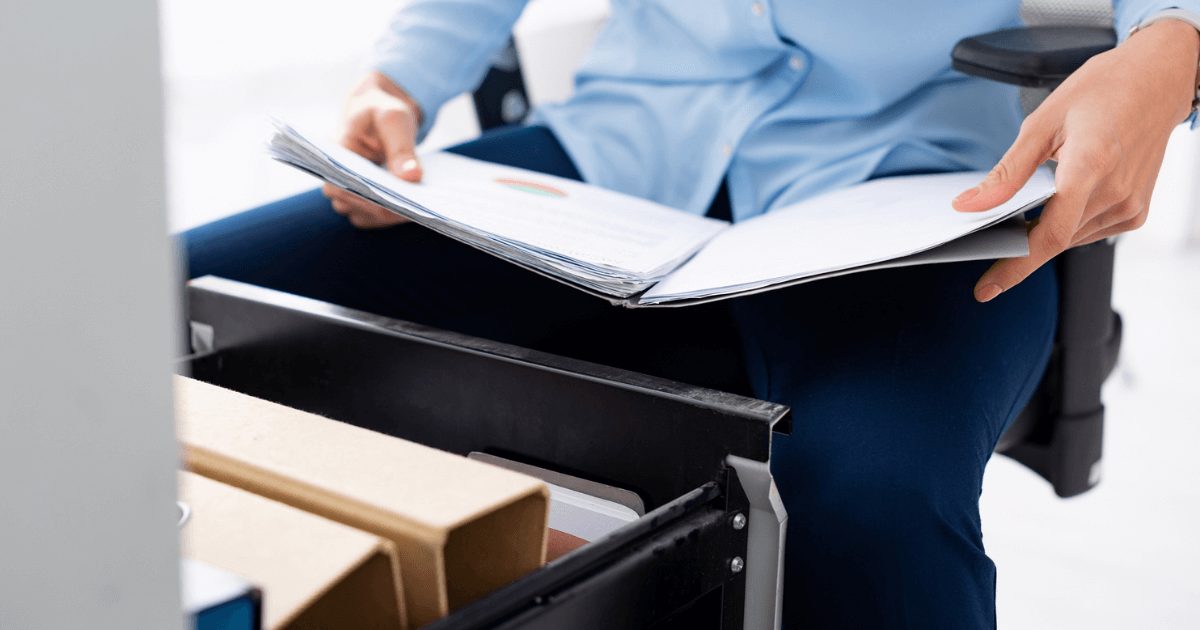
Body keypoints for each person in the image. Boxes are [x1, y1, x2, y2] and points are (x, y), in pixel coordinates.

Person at [184, 1, 1200, 626]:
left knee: (873, 508)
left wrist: (1171, 47)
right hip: (613, 158)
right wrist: (400, 77)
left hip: (911, 196)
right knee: (165, 304)